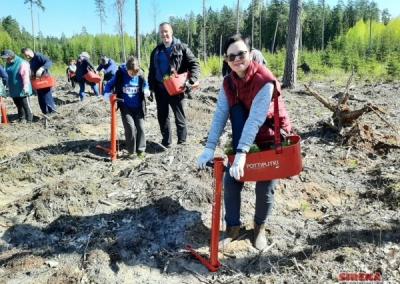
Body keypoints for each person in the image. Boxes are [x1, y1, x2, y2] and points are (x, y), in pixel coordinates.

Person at [196, 34, 292, 250]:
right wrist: (209, 148)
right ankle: (233, 228)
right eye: (232, 56)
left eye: (241, 53)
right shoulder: (228, 82)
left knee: (265, 184)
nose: (237, 59)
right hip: (244, 134)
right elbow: (221, 113)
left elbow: (257, 119)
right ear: (226, 60)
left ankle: (259, 228)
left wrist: (241, 154)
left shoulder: (264, 79)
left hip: (269, 134)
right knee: (232, 181)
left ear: (250, 53)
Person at [148, 22, 200, 148]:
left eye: (166, 31)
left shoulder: (181, 47)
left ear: (171, 32)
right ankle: (166, 142)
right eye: (161, 32)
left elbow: (194, 63)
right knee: (162, 116)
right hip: (160, 89)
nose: (164, 34)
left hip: (176, 88)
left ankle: (182, 143)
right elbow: (151, 70)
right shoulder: (156, 51)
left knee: (179, 116)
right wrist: (151, 87)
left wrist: (192, 79)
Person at [104, 56, 150, 158]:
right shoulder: (120, 74)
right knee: (130, 128)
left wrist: (146, 89)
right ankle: (131, 152)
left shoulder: (141, 74)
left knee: (141, 128)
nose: (133, 75)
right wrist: (106, 93)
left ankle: (141, 150)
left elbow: (146, 84)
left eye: (135, 73)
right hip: (126, 107)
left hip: (138, 106)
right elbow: (109, 84)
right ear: (127, 69)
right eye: (131, 73)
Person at [1, 50, 33, 122]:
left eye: (7, 58)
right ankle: (22, 118)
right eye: (4, 58)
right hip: (14, 89)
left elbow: (25, 76)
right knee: (18, 105)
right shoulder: (7, 63)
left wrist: (26, 87)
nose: (6, 60)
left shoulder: (22, 63)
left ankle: (30, 119)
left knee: (25, 105)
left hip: (23, 89)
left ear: (11, 56)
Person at [21, 48, 56, 115]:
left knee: (47, 95)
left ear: (30, 51)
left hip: (45, 80)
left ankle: (52, 111)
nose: (27, 57)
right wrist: (32, 76)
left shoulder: (38, 56)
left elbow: (49, 62)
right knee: (40, 97)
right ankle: (45, 112)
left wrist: (41, 68)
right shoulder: (31, 61)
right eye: (25, 56)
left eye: (27, 55)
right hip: (37, 82)